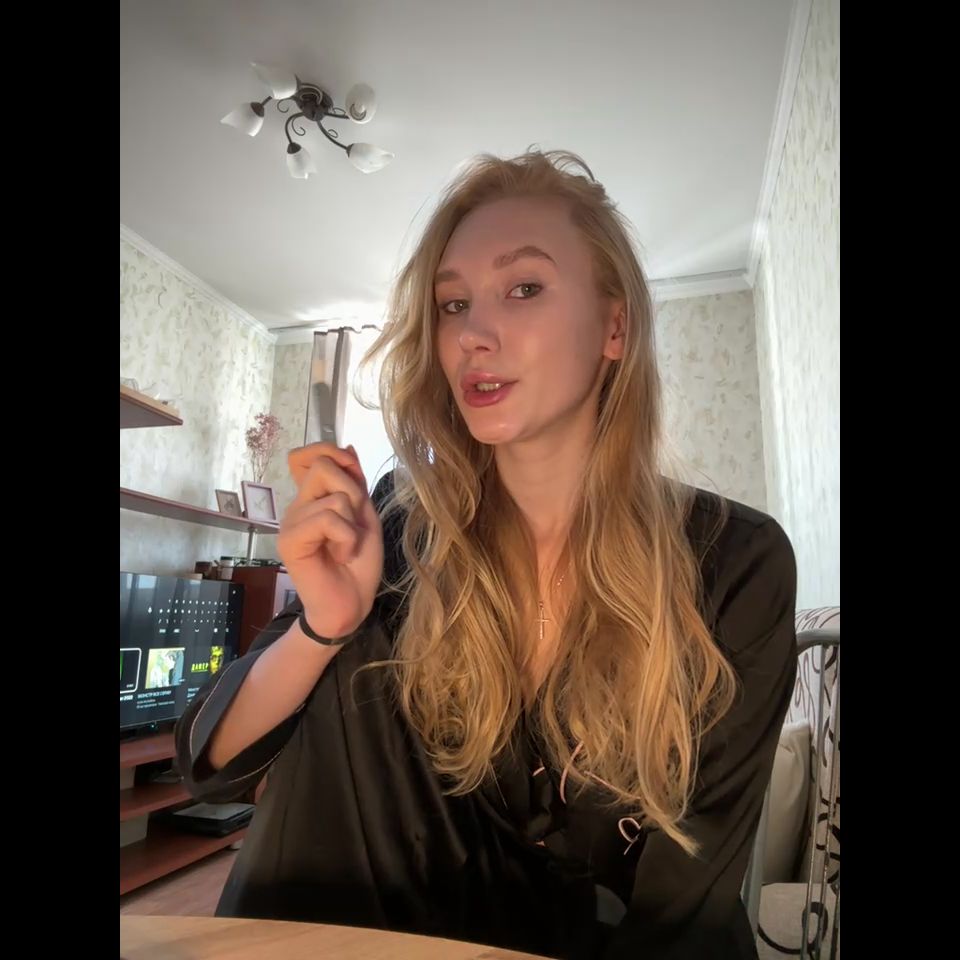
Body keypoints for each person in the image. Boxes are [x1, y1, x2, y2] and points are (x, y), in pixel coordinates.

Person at [175, 149, 797, 960]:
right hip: (363, 937)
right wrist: (324, 625)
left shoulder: (734, 562)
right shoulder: (401, 521)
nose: (473, 333)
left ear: (615, 328)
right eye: (453, 304)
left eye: (524, 288)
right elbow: (212, 764)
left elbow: (687, 913)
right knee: (357, 648)